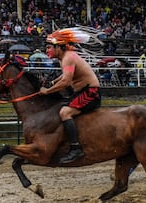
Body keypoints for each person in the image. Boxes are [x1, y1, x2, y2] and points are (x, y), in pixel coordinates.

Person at [39, 28, 101, 163]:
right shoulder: (64, 58)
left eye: (49, 47)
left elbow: (66, 81)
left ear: (59, 47)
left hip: (90, 92)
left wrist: (48, 91)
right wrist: (52, 82)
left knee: (65, 113)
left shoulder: (68, 57)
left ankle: (76, 149)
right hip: (82, 91)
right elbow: (65, 75)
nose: (47, 50)